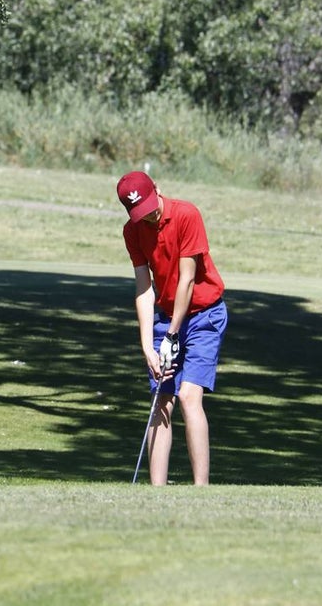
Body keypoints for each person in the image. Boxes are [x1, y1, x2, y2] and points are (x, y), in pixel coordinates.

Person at [116, 170, 227, 486]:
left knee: (190, 396)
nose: (148, 215)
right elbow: (143, 287)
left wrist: (171, 333)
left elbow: (187, 279)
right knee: (162, 398)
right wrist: (147, 346)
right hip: (165, 316)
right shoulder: (133, 231)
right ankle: (157, 492)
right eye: (140, 212)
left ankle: (201, 490)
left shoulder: (186, 214)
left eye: (150, 206)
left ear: (158, 189)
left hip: (204, 315)